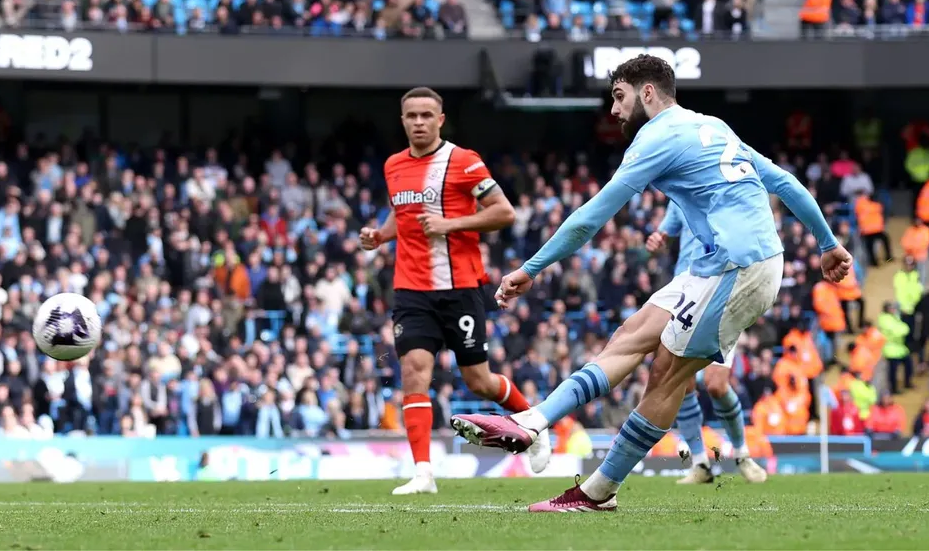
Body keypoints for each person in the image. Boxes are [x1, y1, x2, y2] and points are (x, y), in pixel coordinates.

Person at [450, 55, 850, 512]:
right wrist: (827, 243)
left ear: (646, 93)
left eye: (619, 98)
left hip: (742, 267)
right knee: (630, 337)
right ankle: (533, 420)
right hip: (712, 266)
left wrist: (530, 268)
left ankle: (597, 492)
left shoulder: (655, 137)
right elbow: (785, 182)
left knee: (667, 375)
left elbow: (591, 217)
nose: (614, 111)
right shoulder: (713, 126)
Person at [359, 87, 551, 496]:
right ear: (403, 120)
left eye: (427, 115)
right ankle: (423, 473)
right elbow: (402, 213)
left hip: (460, 286)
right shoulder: (394, 165)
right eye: (411, 115)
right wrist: (380, 235)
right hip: (411, 288)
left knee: (479, 380)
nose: (419, 122)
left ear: (441, 119)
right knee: (413, 371)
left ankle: (535, 420)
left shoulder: (463, 162)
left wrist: (449, 225)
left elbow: (504, 212)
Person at [649, 201, 767, 484]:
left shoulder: (729, 191)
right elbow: (666, 232)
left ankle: (742, 454)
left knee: (716, 384)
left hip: (722, 293)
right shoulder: (678, 194)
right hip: (685, 292)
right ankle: (700, 463)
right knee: (681, 382)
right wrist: (659, 239)